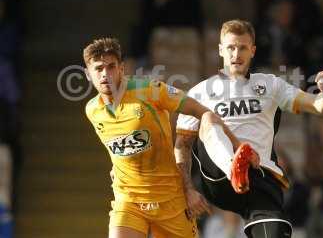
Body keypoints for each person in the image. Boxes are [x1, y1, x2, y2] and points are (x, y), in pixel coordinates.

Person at [174, 19, 323, 238]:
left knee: (274, 232)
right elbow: (182, 146)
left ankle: (241, 171)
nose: (236, 54)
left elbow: (319, 107)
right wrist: (187, 190)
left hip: (259, 177)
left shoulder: (271, 85)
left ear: (253, 51)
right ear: (221, 50)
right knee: (209, 118)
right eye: (230, 47)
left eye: (242, 47)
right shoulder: (199, 92)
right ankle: (233, 167)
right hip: (218, 178)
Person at [83, 38, 243, 238]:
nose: (105, 74)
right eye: (98, 69)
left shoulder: (150, 90)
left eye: (111, 67)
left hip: (170, 201)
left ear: (121, 68)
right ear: (88, 75)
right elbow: (119, 146)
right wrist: (117, 167)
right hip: (129, 201)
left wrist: (233, 143)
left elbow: (201, 111)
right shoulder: (92, 110)